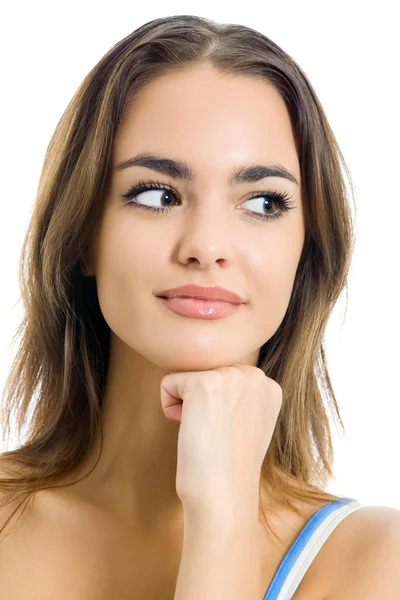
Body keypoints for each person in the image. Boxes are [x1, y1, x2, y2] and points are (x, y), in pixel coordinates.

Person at [0, 14, 399, 600]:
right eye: (157, 195)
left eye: (263, 202)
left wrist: (224, 512)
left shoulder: (374, 562)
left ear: (306, 251)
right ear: (84, 233)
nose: (207, 247)